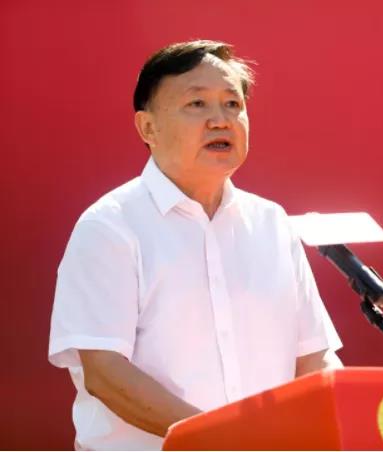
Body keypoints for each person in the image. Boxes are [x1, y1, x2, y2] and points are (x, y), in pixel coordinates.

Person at [48, 40, 343, 451]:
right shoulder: (110, 227)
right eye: (197, 104)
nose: (221, 120)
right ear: (148, 128)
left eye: (233, 104)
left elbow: (314, 358)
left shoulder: (271, 223)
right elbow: (106, 372)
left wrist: (339, 419)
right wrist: (218, 438)